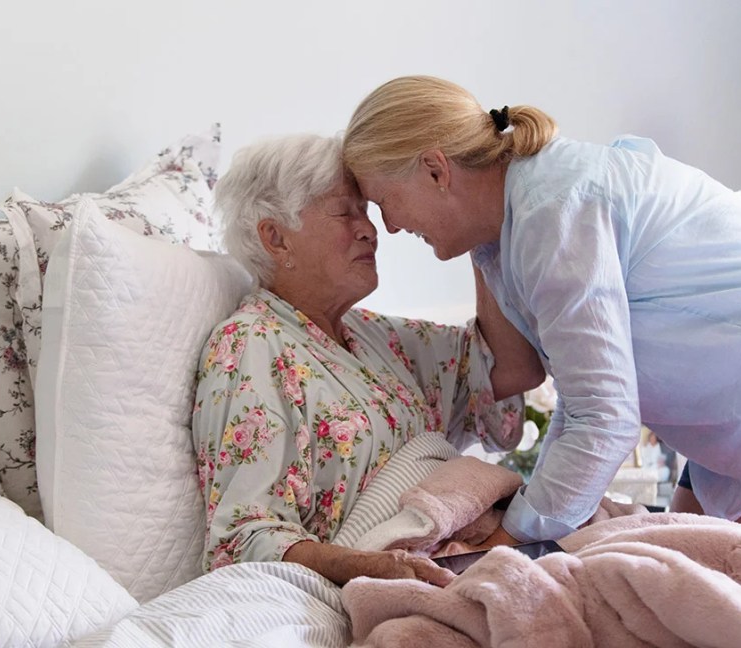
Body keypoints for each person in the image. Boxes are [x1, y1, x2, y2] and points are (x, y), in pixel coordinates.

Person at [341, 75, 741, 547]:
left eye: (385, 202)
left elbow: (603, 417)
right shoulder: (506, 235)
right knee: (700, 588)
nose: (389, 227)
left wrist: (519, 531)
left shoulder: (557, 213)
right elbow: (565, 387)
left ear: (434, 169)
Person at [191, 133, 543, 587]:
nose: (369, 230)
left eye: (367, 211)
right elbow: (242, 540)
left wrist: (478, 230)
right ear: (276, 238)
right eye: (344, 212)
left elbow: (508, 369)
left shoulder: (374, 335)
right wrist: (379, 569)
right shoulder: (251, 345)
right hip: (400, 574)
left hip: (473, 547)